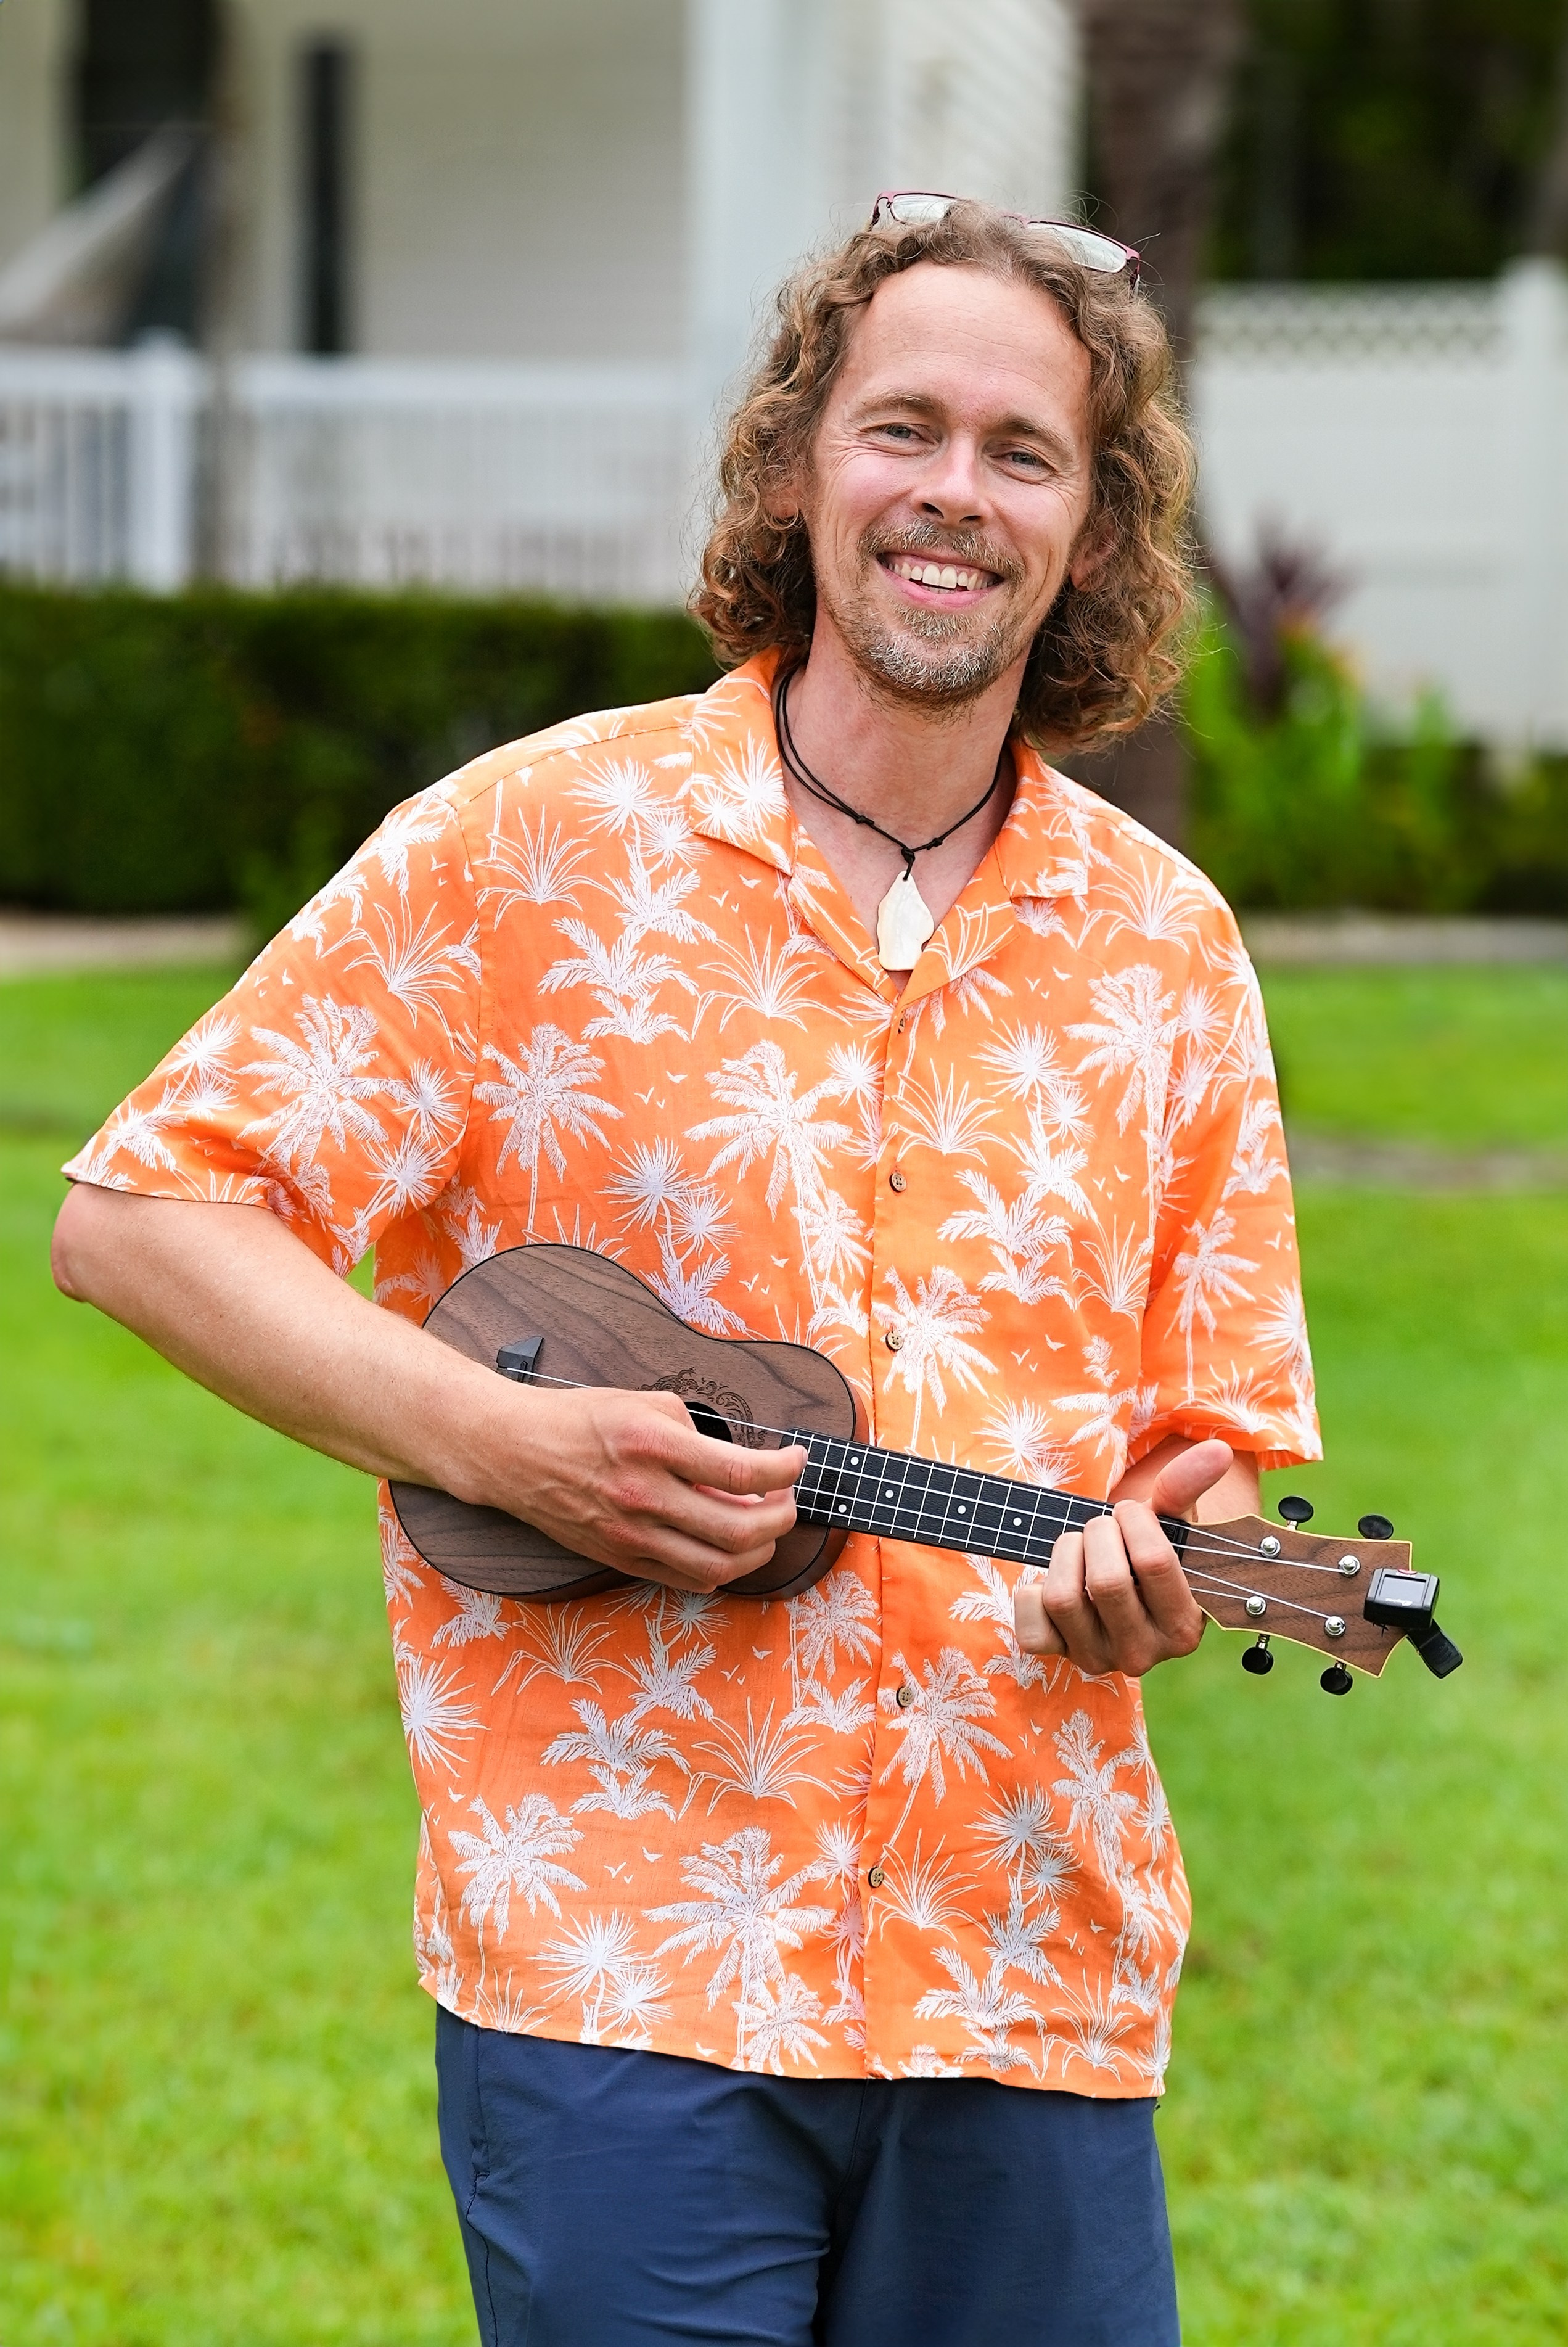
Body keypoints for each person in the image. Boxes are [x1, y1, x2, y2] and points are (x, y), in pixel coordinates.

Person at [52, 196, 1320, 2345]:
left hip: (1023, 1959)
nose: (953, 494)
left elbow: (1217, 1463)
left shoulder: (1167, 954)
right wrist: (502, 1443)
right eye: (902, 426)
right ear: (800, 465)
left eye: (1026, 452)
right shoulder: (533, 848)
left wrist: (1184, 1559)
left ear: (1095, 529)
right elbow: (142, 1213)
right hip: (621, 1964)